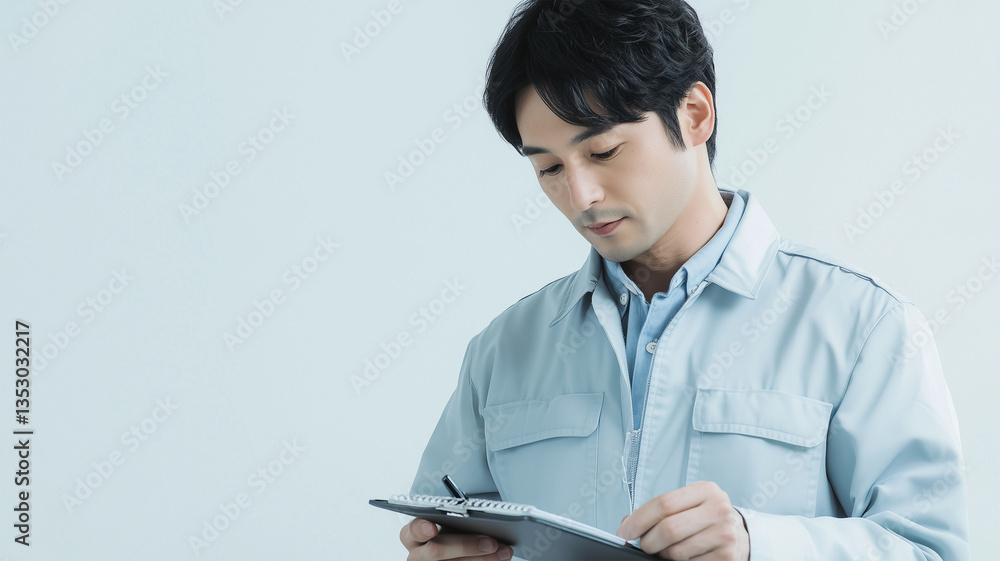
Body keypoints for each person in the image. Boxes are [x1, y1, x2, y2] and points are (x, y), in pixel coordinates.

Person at [398, 1, 969, 560]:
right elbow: (447, 524)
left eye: (603, 150)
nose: (580, 196)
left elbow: (930, 550)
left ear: (695, 114)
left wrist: (758, 545)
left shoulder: (864, 327)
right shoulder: (502, 351)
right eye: (548, 167)